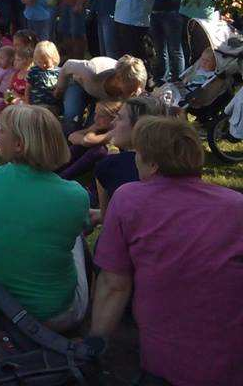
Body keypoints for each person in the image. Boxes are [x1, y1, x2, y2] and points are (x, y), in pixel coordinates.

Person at [90, 117, 243, 386]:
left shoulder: (129, 199)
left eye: (138, 152)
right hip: (228, 354)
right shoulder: (235, 204)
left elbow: (114, 284)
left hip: (167, 361)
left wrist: (94, 343)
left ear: (153, 163)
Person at [0, 105, 92, 331]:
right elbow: (84, 227)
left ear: (19, 145)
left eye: (2, 131)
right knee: (76, 239)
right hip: (49, 316)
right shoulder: (75, 195)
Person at [55, 54, 147, 134]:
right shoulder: (91, 71)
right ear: (118, 78)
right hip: (79, 85)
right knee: (72, 117)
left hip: (102, 98)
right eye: (131, 87)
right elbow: (68, 65)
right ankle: (66, 145)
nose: (134, 92)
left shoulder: (135, 87)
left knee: (96, 127)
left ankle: (81, 150)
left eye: (137, 88)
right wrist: (60, 89)